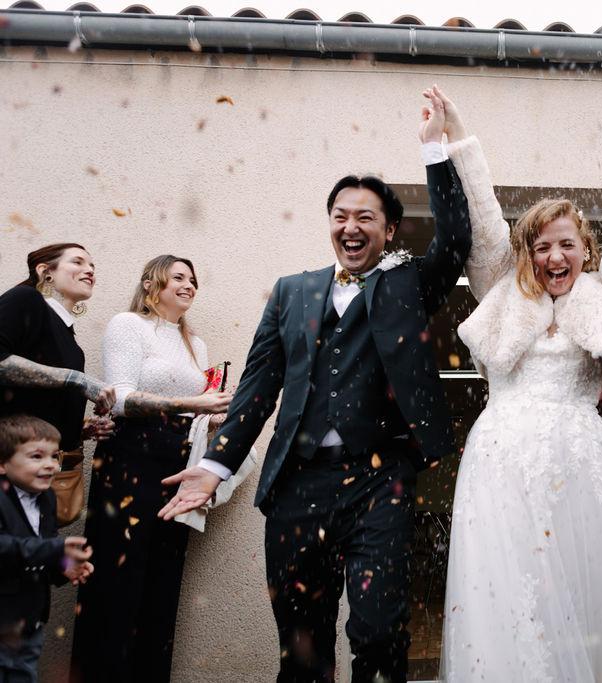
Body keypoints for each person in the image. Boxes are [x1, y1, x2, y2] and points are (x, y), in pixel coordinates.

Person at [157, 93, 472, 683]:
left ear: (389, 229)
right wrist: (216, 465)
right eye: (341, 217)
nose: (351, 228)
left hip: (381, 484)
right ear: (330, 223)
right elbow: (257, 389)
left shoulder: (408, 286)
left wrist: (436, 146)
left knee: (379, 633)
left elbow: (455, 239)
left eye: (366, 218)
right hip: (298, 487)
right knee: (301, 648)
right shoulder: (290, 292)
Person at [431, 86, 602, 681]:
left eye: (567, 245)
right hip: (502, 468)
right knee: (513, 593)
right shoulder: (500, 289)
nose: (555, 256)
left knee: (589, 589)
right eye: (543, 245)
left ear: (584, 250)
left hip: (582, 466)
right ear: (527, 252)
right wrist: (457, 133)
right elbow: (481, 221)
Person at [70, 255, 232, 683]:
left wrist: (210, 416)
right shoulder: (128, 326)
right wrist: (189, 404)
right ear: (151, 284)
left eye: (193, 279)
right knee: (117, 576)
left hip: (178, 463)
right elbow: (119, 400)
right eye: (178, 277)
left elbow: (197, 404)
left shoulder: (194, 343)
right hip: (130, 457)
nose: (189, 284)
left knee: (163, 581)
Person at [0, 415, 93, 683]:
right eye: (37, 456)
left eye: (54, 456)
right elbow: (5, 547)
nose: (51, 465)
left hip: (28, 624)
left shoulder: (47, 498)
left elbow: (44, 549)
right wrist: (56, 548)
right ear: (3, 464)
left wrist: (66, 567)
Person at [0, 244, 115, 456]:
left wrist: (78, 430)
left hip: (60, 472)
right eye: (77, 262)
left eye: (92, 266)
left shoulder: (71, 341)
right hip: (15, 470)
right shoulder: (25, 298)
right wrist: (78, 379)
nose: (90, 270)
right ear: (45, 272)